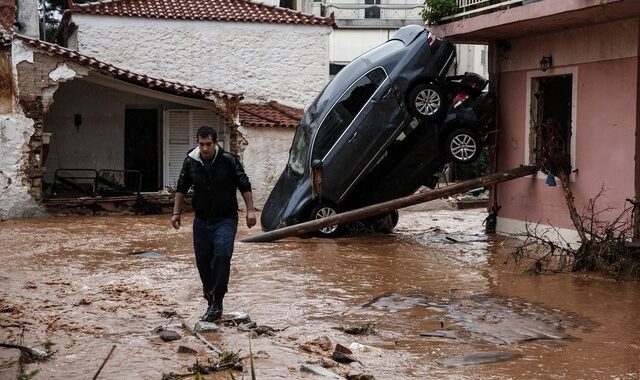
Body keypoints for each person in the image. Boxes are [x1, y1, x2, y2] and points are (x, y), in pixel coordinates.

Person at [171, 126, 256, 322]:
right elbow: (181, 187)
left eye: (209, 144)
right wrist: (176, 213)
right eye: (201, 144)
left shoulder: (228, 160)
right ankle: (210, 298)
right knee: (203, 260)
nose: (205, 149)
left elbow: (244, 184)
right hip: (201, 221)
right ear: (197, 143)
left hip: (226, 219)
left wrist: (250, 210)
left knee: (221, 255)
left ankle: (217, 302)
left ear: (215, 143)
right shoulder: (191, 161)